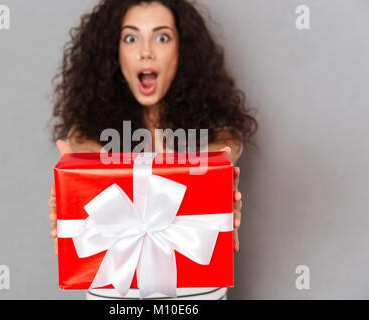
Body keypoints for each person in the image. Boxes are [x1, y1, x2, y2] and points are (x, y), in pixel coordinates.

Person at [48, 0, 258, 300]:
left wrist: (222, 206)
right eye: (131, 38)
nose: (146, 51)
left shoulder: (221, 133)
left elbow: (217, 162)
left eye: (162, 37)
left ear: (182, 51)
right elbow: (91, 164)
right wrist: (69, 204)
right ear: (114, 53)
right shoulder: (85, 135)